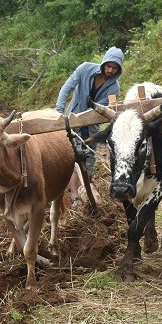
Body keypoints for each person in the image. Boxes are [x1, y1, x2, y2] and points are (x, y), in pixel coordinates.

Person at [55, 47, 124, 206]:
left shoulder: (114, 88)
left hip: (92, 126)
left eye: (115, 68)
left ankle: (85, 191)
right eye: (108, 66)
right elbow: (67, 87)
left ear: (118, 69)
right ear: (104, 63)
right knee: (72, 157)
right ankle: (74, 195)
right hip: (71, 121)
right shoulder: (85, 68)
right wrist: (59, 111)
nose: (110, 70)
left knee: (89, 160)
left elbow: (101, 109)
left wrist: (84, 119)